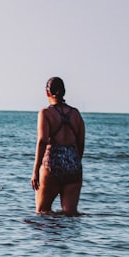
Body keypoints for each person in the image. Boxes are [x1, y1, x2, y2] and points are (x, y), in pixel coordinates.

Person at [31, 77, 85, 215]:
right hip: (73, 164)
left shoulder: (46, 114)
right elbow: (80, 143)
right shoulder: (76, 114)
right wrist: (74, 163)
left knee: (42, 212)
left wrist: (36, 171)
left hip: (52, 164)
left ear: (47, 93)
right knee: (70, 214)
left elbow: (42, 141)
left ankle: (52, 236)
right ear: (64, 92)